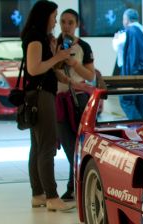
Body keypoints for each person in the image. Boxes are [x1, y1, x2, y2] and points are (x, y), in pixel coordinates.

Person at [20, 0, 74, 211]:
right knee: (47, 146)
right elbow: (34, 69)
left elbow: (46, 67)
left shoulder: (41, 38)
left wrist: (57, 61)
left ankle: (38, 194)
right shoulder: (35, 38)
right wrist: (57, 57)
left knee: (38, 146)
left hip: (39, 94)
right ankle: (51, 196)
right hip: (41, 96)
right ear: (45, 16)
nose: (56, 21)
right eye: (54, 16)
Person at [55, 8, 96, 202]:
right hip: (60, 99)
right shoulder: (54, 44)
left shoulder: (83, 47)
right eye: (63, 22)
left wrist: (74, 63)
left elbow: (90, 75)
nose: (66, 26)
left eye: (70, 22)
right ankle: (74, 186)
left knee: (81, 145)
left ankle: (75, 187)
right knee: (68, 145)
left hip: (79, 99)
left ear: (77, 24)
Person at [117, 9, 143, 120]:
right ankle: (140, 127)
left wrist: (116, 38)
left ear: (126, 20)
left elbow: (118, 47)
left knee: (126, 100)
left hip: (131, 71)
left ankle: (139, 125)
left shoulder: (128, 32)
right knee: (140, 102)